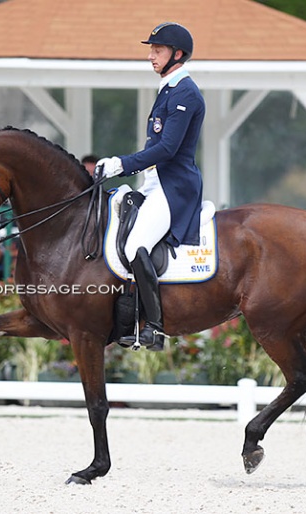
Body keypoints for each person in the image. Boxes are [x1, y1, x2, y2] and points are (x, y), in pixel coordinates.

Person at [97, 22, 205, 351]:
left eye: (157, 50)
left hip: (175, 188)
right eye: (151, 50)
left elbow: (167, 149)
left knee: (135, 246)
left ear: (178, 54)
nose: (151, 56)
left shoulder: (185, 92)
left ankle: (154, 327)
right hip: (155, 183)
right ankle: (126, 321)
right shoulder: (168, 90)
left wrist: (121, 164)